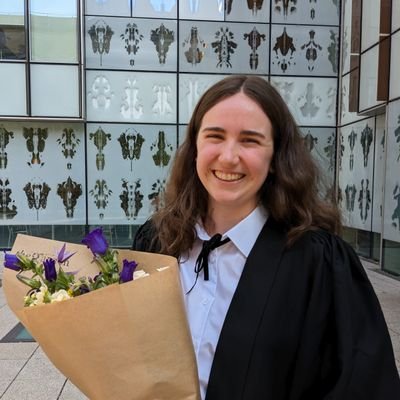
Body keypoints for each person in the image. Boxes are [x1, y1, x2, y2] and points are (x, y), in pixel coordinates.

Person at [132, 75, 400, 399]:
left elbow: (362, 386)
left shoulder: (318, 263)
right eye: (215, 136)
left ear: (276, 158)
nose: (229, 157)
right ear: (195, 149)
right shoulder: (157, 243)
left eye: (250, 140)